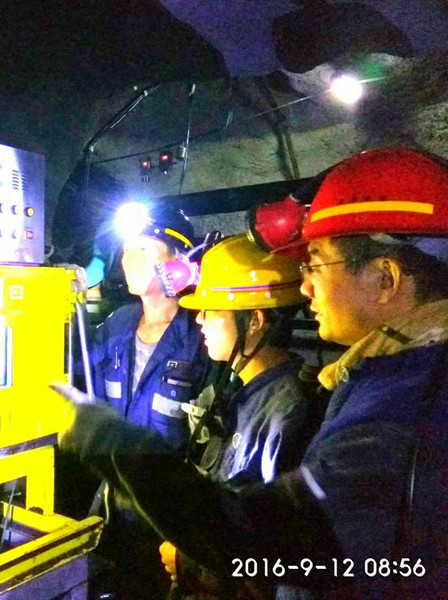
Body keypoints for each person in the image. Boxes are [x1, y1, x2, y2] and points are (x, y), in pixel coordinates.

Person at [53, 147, 448, 599]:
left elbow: (279, 538)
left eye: (315, 262)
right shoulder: (381, 379)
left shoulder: (406, 401)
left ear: (385, 279)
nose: (305, 285)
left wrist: (107, 440)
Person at [158, 234, 324, 598]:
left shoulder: (287, 412)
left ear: (254, 321)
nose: (200, 319)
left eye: (213, 310)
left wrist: (190, 562)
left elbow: (276, 546)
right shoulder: (248, 391)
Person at [81, 202, 211, 599]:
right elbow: (74, 365)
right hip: (112, 500)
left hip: (171, 515)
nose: (129, 260)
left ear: (181, 261)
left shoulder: (203, 334)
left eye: (143, 249)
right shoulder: (118, 323)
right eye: (125, 250)